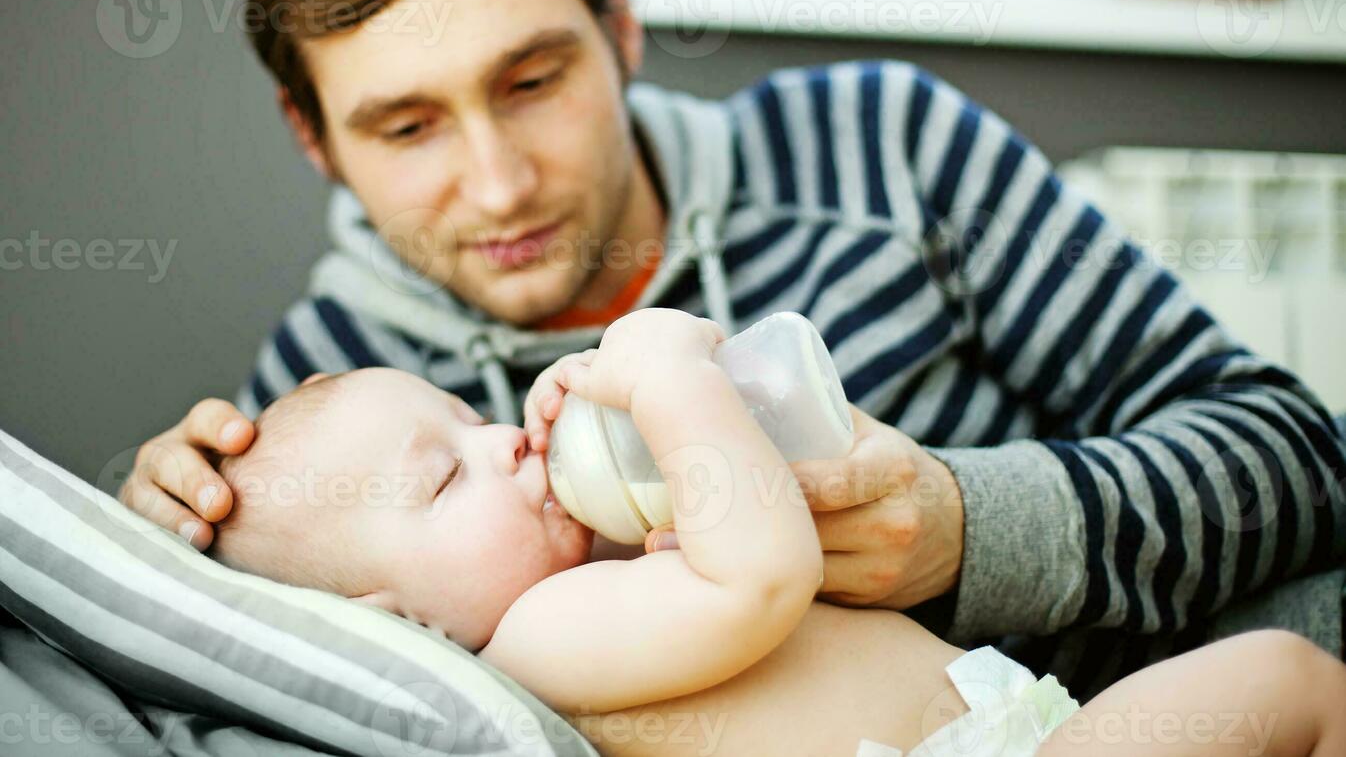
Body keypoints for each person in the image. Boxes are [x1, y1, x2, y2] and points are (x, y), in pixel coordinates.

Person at [119, 0, 1346, 700]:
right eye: (405, 125)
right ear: (315, 137)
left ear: (620, 28)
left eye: (532, 79)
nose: (495, 182)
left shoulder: (882, 145)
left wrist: (966, 523)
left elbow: (1295, 454)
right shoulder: (320, 387)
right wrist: (156, 563)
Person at [208, 309, 1346, 757]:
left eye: (473, 417)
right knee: (1288, 684)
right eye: (446, 475)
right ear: (394, 623)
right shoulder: (538, 641)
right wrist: (663, 374)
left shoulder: (587, 582)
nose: (504, 442)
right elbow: (762, 574)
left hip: (1020, 733)